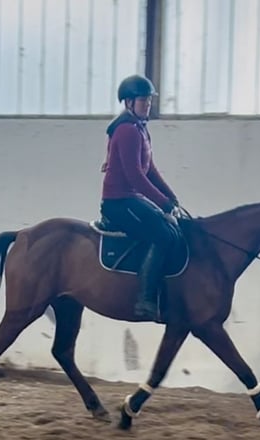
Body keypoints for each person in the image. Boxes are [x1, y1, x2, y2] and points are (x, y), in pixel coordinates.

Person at [99, 74, 182, 321]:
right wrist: (163, 203)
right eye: (144, 101)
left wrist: (171, 197)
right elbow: (135, 176)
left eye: (149, 100)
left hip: (131, 199)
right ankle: (145, 300)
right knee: (163, 235)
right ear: (128, 103)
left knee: (172, 228)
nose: (148, 105)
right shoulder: (127, 131)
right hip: (118, 202)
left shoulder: (140, 129)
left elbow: (150, 169)